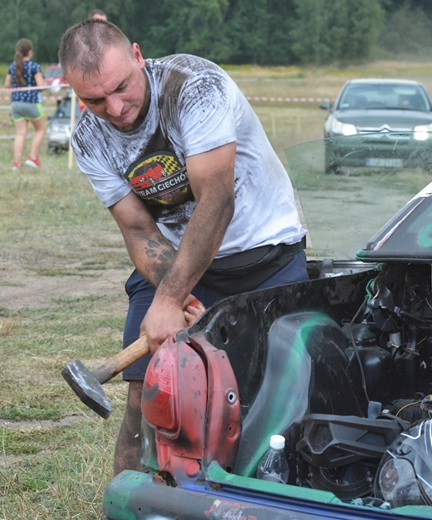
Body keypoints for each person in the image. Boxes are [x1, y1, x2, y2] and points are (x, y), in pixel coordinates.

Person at [58, 20, 308, 475]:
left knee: (271, 399)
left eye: (121, 88)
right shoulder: (89, 139)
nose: (115, 109)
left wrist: (172, 299)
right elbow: (137, 231)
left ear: (138, 55)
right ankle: (135, 504)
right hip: (176, 263)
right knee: (147, 394)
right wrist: (181, 295)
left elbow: (218, 201)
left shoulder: (195, 87)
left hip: (264, 253)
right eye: (94, 100)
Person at [5, 38, 47, 170]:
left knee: (20, 133)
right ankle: (32, 157)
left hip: (16, 104)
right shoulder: (35, 66)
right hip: (31, 103)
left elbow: (7, 85)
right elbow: (40, 86)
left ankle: (17, 163)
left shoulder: (13, 66)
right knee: (40, 129)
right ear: (30, 52)